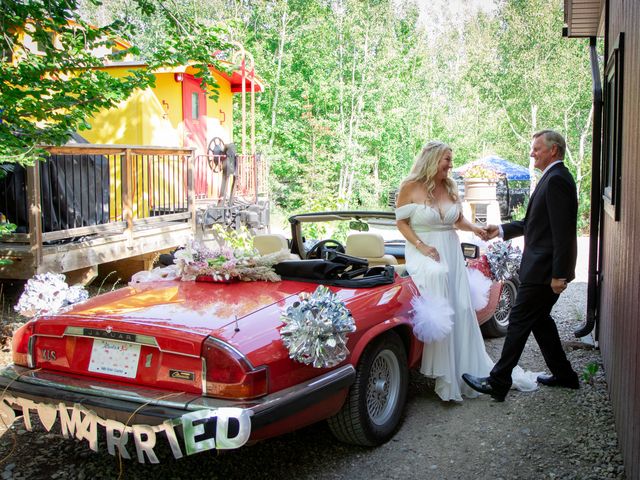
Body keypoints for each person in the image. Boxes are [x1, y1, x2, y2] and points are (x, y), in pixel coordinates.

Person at [395, 141, 538, 401]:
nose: (451, 165)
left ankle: (464, 368)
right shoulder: (409, 187)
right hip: (423, 249)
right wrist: (421, 245)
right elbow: (401, 223)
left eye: (450, 160)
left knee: (461, 307)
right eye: (446, 160)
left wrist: (475, 229)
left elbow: (457, 219)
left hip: (450, 249)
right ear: (432, 159)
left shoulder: (449, 187)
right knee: (439, 283)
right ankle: (443, 374)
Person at [462, 129, 579, 402]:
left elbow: (563, 232)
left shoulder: (558, 180)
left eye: (537, 148)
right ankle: (565, 375)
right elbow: (533, 225)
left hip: (545, 272)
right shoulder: (551, 178)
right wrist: (500, 230)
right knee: (541, 322)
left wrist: (559, 274)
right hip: (541, 269)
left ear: (553, 150)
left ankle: (498, 381)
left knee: (518, 321)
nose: (532, 153)